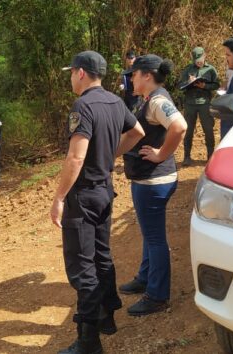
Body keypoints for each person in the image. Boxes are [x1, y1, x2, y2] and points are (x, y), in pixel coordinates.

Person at [51, 50, 144, 354]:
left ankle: (88, 341)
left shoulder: (83, 105)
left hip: (83, 196)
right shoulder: (116, 101)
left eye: (71, 72)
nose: (70, 77)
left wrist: (59, 197)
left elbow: (76, 156)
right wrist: (109, 155)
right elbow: (137, 132)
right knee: (102, 256)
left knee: (82, 266)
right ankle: (107, 317)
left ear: (80, 73)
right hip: (105, 190)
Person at [119, 54, 187, 316]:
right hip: (149, 179)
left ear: (146, 74)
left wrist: (161, 154)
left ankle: (157, 295)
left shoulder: (157, 100)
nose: (131, 78)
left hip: (153, 180)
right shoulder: (151, 98)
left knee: (155, 238)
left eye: (134, 74)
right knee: (150, 234)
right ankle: (145, 277)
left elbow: (179, 127)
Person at [177, 46, 219, 164]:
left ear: (205, 55)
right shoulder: (188, 69)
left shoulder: (211, 69)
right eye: (196, 60)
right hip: (190, 104)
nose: (198, 62)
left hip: (205, 103)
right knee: (188, 130)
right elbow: (180, 86)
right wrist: (188, 82)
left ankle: (210, 156)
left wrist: (205, 86)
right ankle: (187, 157)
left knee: (208, 130)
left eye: (200, 59)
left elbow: (216, 85)